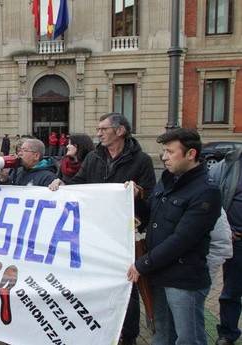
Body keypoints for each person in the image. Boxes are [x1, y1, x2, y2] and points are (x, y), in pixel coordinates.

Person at [49, 113, 155, 345]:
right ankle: (99, 328)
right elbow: (80, 183)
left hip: (125, 235)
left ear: (120, 131)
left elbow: (151, 196)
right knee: (96, 281)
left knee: (127, 286)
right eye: (98, 129)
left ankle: (128, 336)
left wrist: (139, 193)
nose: (98, 133)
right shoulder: (94, 158)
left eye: (103, 129)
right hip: (96, 232)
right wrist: (63, 184)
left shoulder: (142, 161)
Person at [128, 128, 221, 345]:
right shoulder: (168, 180)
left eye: (170, 151)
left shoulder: (206, 191)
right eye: (163, 151)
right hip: (159, 273)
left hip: (183, 279)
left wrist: (143, 264)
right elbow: (150, 214)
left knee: (188, 339)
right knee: (162, 335)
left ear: (191, 154)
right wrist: (135, 198)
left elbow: (183, 239)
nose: (164, 156)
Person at [209, 144, 242, 345]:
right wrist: (224, 230)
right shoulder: (229, 164)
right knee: (231, 291)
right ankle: (227, 334)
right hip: (237, 240)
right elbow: (213, 198)